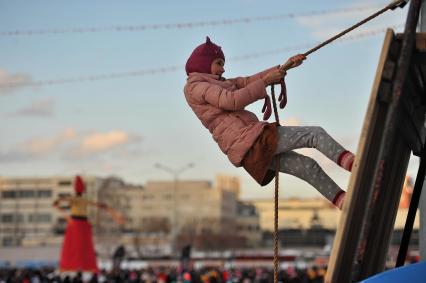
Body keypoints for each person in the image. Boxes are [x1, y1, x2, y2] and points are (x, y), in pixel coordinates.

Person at [183, 37, 356, 209]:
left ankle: (346, 203)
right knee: (314, 134)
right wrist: (265, 81)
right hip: (251, 141)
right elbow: (232, 101)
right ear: (204, 63)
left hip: (248, 151)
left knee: (307, 166)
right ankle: (357, 167)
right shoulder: (196, 87)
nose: (223, 68)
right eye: (219, 63)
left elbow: (248, 81)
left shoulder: (221, 83)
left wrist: (285, 66)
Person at [54, 175, 121, 272]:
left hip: (76, 223)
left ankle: (72, 265)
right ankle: (84, 265)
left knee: (73, 246)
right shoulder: (83, 200)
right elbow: (96, 204)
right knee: (85, 246)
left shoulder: (75, 199)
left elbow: (60, 201)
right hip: (83, 224)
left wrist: (58, 205)